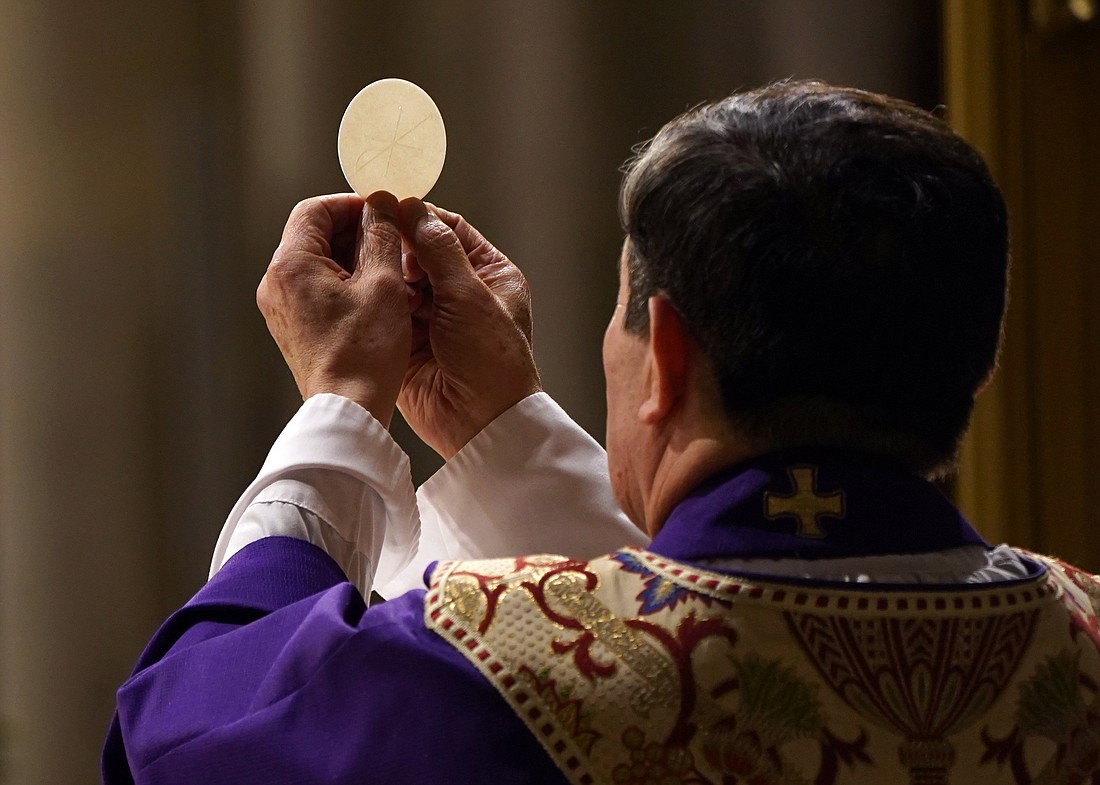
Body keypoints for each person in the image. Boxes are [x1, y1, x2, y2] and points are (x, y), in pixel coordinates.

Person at [103, 81, 1100, 785]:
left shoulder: (500, 672)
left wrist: (338, 407)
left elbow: (183, 734)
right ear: (978, 356)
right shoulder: (1084, 643)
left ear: (660, 351)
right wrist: (503, 436)